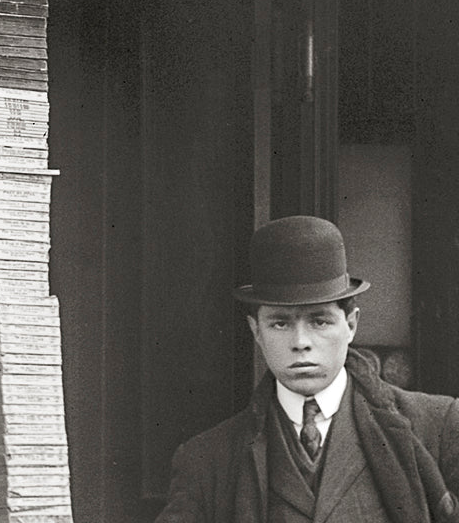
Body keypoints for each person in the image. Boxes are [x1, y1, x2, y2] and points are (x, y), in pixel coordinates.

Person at [154, 215, 459, 523]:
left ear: (351, 324)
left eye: (319, 321)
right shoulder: (207, 461)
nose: (300, 342)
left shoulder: (437, 428)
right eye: (280, 323)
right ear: (256, 331)